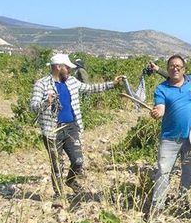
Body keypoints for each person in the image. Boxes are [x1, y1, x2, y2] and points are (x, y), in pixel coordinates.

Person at [30, 53, 122, 196]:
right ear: (58, 67)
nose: (70, 70)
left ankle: (71, 181)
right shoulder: (41, 84)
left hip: (71, 127)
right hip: (52, 130)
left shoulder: (71, 81)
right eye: (67, 67)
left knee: (78, 161)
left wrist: (112, 84)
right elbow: (33, 107)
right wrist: (45, 102)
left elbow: (90, 88)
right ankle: (59, 195)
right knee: (57, 166)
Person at [146, 55, 191, 218]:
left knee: (188, 172)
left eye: (178, 66)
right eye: (172, 66)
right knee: (163, 172)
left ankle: (183, 203)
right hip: (169, 138)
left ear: (184, 69)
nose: (175, 68)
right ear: (168, 68)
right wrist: (158, 112)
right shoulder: (161, 88)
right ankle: (157, 207)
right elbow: (160, 107)